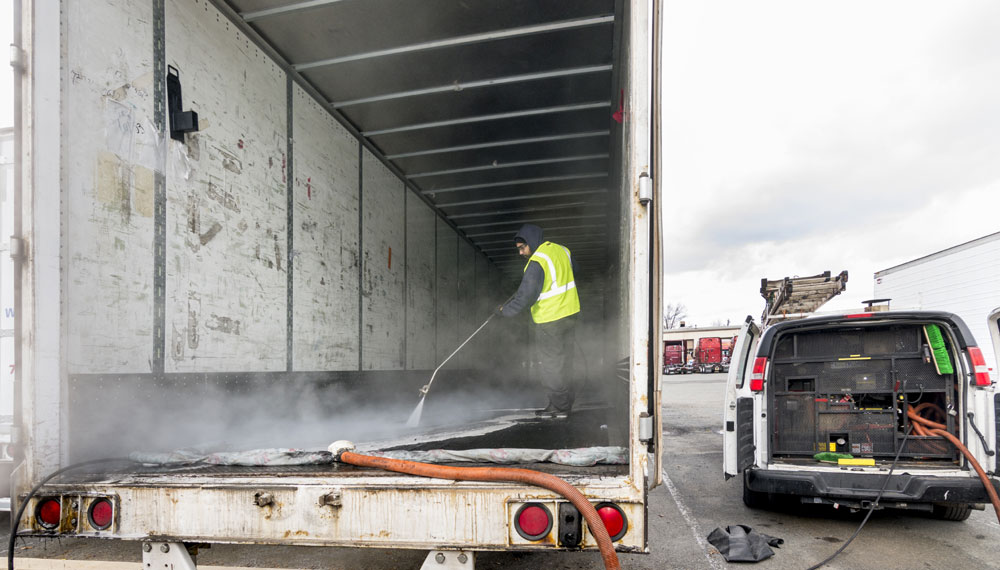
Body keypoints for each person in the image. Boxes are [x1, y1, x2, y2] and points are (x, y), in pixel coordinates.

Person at [496, 224, 580, 418]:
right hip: (570, 314)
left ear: (531, 242)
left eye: (522, 247)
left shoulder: (537, 261)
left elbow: (525, 297)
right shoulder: (562, 250)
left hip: (550, 319)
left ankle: (559, 407)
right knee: (565, 361)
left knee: (550, 364)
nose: (520, 252)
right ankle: (564, 403)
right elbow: (575, 269)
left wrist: (503, 311)